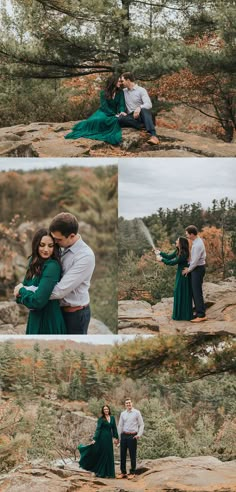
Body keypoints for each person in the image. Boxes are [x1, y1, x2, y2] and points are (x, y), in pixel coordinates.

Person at [49, 212, 95, 335]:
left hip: (75, 316)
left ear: (72, 236)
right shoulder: (63, 247)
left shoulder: (85, 256)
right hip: (59, 312)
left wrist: (29, 293)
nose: (55, 242)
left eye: (58, 239)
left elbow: (59, 291)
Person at [13, 228, 66, 335]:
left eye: (50, 246)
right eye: (42, 245)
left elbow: (38, 301)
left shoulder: (52, 266)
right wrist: (26, 295)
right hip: (34, 319)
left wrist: (22, 291)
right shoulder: (33, 261)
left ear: (54, 247)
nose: (46, 249)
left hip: (49, 320)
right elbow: (18, 298)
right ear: (36, 245)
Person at [64, 75, 126, 145]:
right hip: (104, 111)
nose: (120, 83)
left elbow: (122, 104)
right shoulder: (103, 92)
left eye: (120, 81)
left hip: (114, 113)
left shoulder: (120, 92)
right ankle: (85, 128)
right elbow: (104, 106)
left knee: (113, 121)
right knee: (96, 120)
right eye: (118, 81)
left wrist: (121, 111)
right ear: (113, 82)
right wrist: (114, 114)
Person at [155, 237, 193, 321]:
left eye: (177, 240)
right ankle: (180, 314)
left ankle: (183, 315)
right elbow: (169, 256)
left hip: (184, 275)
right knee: (178, 292)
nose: (175, 241)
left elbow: (172, 262)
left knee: (181, 293)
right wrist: (160, 252)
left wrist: (161, 259)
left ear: (181, 243)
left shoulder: (184, 254)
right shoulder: (178, 251)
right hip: (180, 274)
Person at [78, 405, 119, 478]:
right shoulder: (101, 419)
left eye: (107, 409)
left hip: (109, 438)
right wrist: (95, 439)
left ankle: (109, 473)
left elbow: (114, 428)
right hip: (101, 438)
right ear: (103, 411)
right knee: (103, 453)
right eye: (104, 409)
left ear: (109, 410)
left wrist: (116, 437)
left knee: (109, 453)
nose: (106, 410)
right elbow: (98, 429)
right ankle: (101, 472)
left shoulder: (112, 418)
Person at [118, 72, 160, 145]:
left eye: (122, 81)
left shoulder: (141, 90)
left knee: (144, 110)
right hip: (131, 117)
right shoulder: (123, 92)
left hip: (141, 115)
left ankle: (154, 136)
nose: (122, 83)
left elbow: (149, 104)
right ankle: (141, 126)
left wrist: (139, 108)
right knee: (120, 118)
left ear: (128, 80)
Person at [182, 225, 207, 323]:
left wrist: (188, 269)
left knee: (197, 292)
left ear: (192, 234)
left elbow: (195, 261)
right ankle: (198, 312)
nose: (187, 236)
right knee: (195, 291)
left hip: (197, 269)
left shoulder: (197, 245)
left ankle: (201, 315)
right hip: (197, 268)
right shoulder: (196, 241)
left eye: (187, 234)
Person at [117, 398, 144, 480]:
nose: (128, 404)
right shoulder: (123, 414)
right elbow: (120, 425)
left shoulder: (137, 412)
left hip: (133, 436)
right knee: (122, 455)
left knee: (132, 455)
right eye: (126, 403)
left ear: (132, 403)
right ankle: (123, 472)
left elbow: (142, 424)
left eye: (129, 403)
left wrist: (138, 435)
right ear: (125, 405)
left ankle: (132, 472)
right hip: (124, 435)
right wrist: (118, 437)